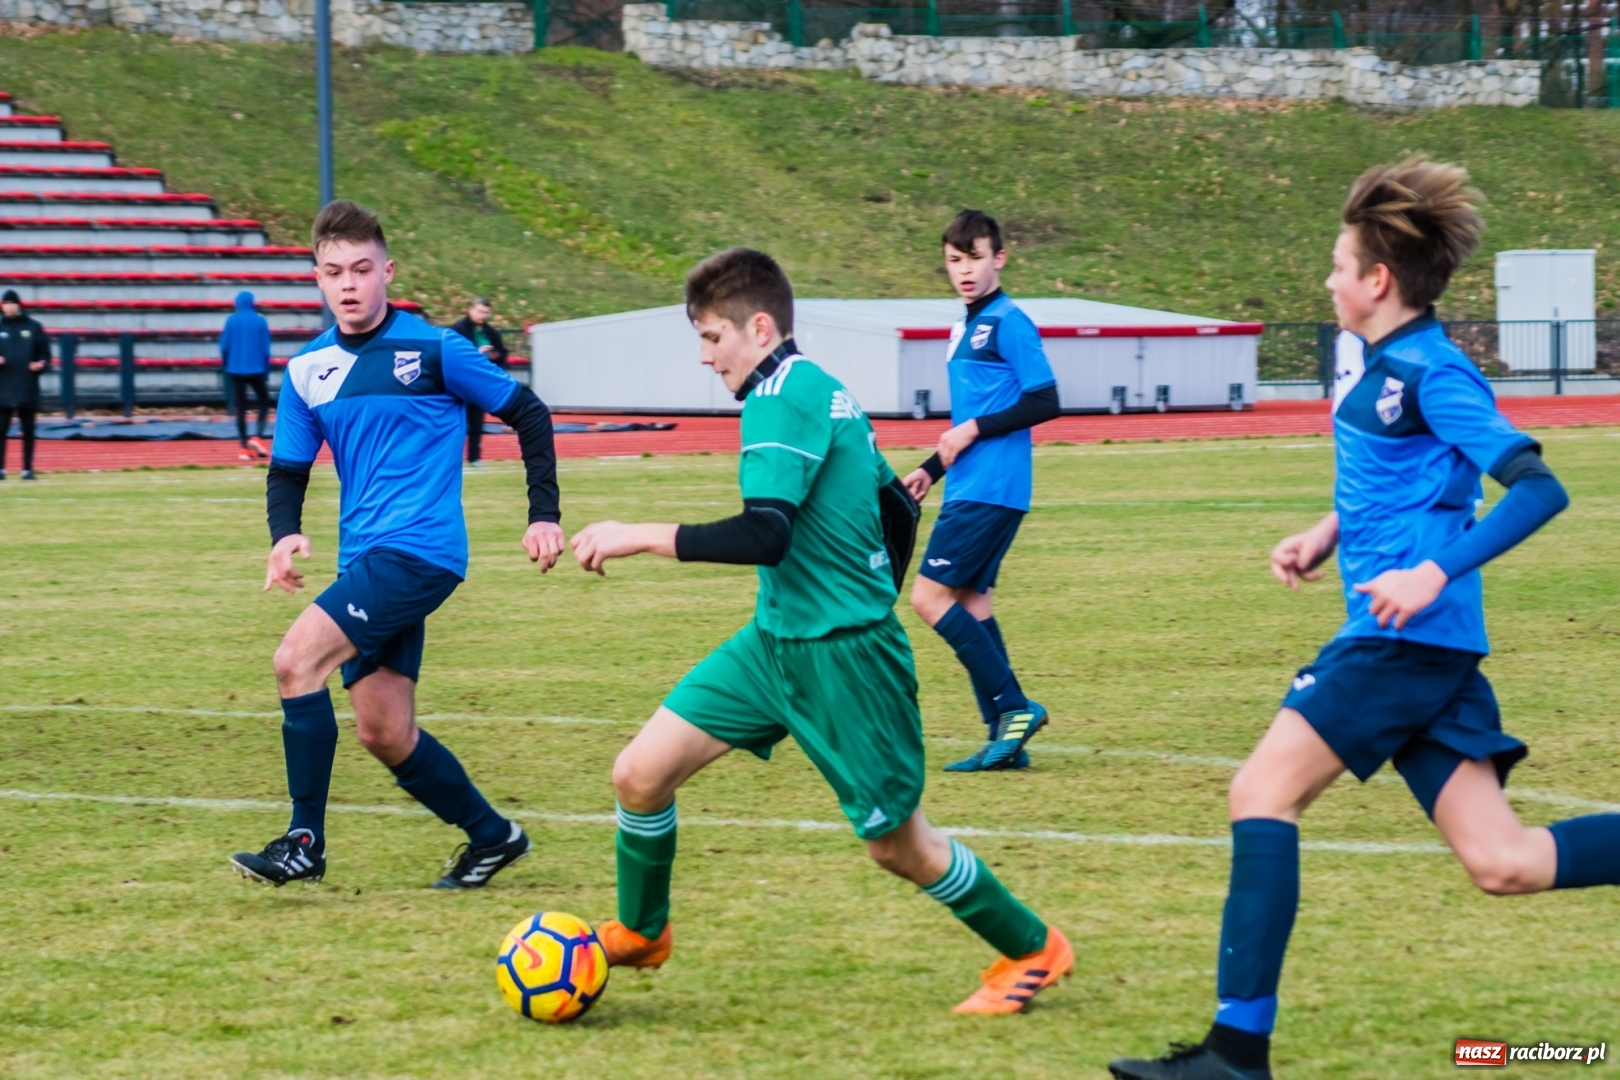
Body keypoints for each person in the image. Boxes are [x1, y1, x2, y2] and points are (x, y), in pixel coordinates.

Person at [1108, 159, 1620, 1080]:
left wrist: (1432, 569)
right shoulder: (1386, 370)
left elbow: (1538, 488)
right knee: (1504, 861)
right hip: (1424, 647)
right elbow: (1409, 483)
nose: (1331, 281)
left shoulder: (1432, 371)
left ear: (1378, 281)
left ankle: (1235, 1052)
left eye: (1340, 266)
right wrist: (1328, 532)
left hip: (1399, 642)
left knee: (1260, 793)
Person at [568, 247, 1073, 1014]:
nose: (705, 358)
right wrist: (865, 582)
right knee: (639, 774)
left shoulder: (782, 399)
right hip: (773, 644)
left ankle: (1032, 947)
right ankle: (643, 932)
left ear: (759, 328)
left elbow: (764, 535)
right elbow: (896, 509)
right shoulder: (820, 387)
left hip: (844, 661)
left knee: (898, 847)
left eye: (712, 339)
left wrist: (637, 532)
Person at [229, 200, 565, 890]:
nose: (348, 284)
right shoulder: (306, 371)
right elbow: (289, 469)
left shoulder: (436, 349)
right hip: (367, 561)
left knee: (295, 663)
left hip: (419, 552)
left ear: (387, 270)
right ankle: (494, 837)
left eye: (360, 268)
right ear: (317, 280)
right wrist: (284, 534)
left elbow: (527, 413)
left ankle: (303, 843)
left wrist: (543, 514)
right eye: (333, 272)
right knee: (384, 731)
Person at [901, 210, 1061, 773]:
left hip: (991, 489)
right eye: (954, 260)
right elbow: (976, 413)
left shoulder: (1009, 321)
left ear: (1000, 257)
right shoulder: (964, 328)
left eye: (974, 257)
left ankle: (1016, 709)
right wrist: (930, 469)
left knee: (927, 599)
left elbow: (1046, 400)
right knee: (971, 604)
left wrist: (970, 430)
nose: (964, 270)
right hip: (974, 484)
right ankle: (1004, 738)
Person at [449, 298, 509, 466]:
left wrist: (495, 356)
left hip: (479, 384)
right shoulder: (457, 330)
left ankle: (474, 457)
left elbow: (503, 355)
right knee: (455, 422)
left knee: (477, 421)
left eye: (486, 313)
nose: (483, 315)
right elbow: (451, 354)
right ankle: (451, 457)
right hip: (459, 383)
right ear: (471, 309)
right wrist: (475, 352)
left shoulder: (491, 333)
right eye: (480, 311)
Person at [0, 288, 51, 481]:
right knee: (0, 430)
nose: (9, 307)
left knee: (28, 430)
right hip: (2, 387)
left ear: (18, 305)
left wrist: (41, 364)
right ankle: (1, 470)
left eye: (11, 303)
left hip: (26, 385)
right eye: (5, 303)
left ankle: (27, 469)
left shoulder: (33, 327)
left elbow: (45, 353)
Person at [219, 289, 274, 461]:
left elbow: (224, 346)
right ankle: (257, 436)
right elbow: (266, 348)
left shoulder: (231, 321)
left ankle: (243, 448)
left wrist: (227, 363)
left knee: (241, 408)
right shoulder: (260, 321)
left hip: (236, 370)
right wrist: (265, 368)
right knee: (264, 401)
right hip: (257, 369)